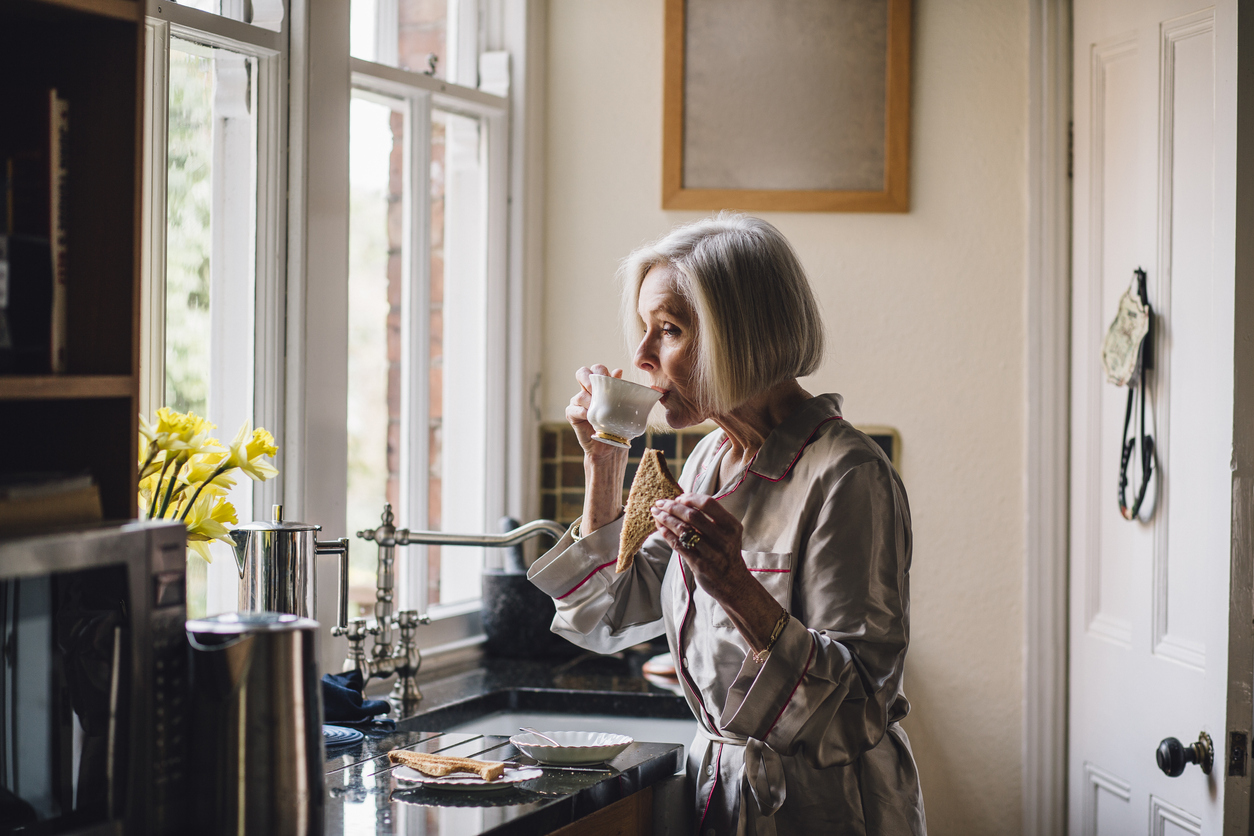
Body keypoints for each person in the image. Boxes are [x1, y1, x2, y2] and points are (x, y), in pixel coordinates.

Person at [527, 214, 927, 835]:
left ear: (738, 337)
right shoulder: (710, 459)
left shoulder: (847, 475)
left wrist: (734, 584)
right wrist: (603, 463)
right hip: (720, 788)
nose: (640, 355)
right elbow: (607, 615)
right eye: (644, 328)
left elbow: (857, 709)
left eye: (669, 329)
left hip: (823, 807)